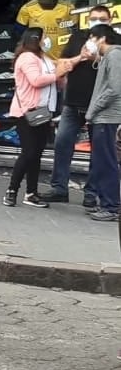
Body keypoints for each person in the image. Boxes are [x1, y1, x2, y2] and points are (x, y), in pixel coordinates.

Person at [3, 27, 84, 209]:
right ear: (36, 39)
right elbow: (36, 80)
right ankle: (12, 190)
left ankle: (31, 192)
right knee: (29, 152)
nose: (47, 40)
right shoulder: (26, 58)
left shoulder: (44, 58)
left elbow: (56, 74)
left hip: (43, 112)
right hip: (27, 112)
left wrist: (62, 75)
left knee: (37, 154)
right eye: (44, 37)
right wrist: (56, 75)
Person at [43, 4, 114, 204]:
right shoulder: (77, 38)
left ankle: (91, 193)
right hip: (73, 103)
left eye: (101, 18)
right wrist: (81, 57)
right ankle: (59, 188)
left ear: (109, 20)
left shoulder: (115, 43)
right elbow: (62, 63)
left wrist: (99, 57)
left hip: (100, 107)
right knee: (62, 143)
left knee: (98, 151)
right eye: (93, 18)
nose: (97, 21)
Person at [80, 24, 121, 222]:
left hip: (106, 117)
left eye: (92, 38)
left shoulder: (114, 55)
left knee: (106, 162)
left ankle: (111, 206)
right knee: (102, 161)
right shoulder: (106, 58)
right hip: (101, 117)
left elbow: (114, 89)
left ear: (102, 38)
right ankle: (107, 203)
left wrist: (92, 110)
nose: (90, 42)